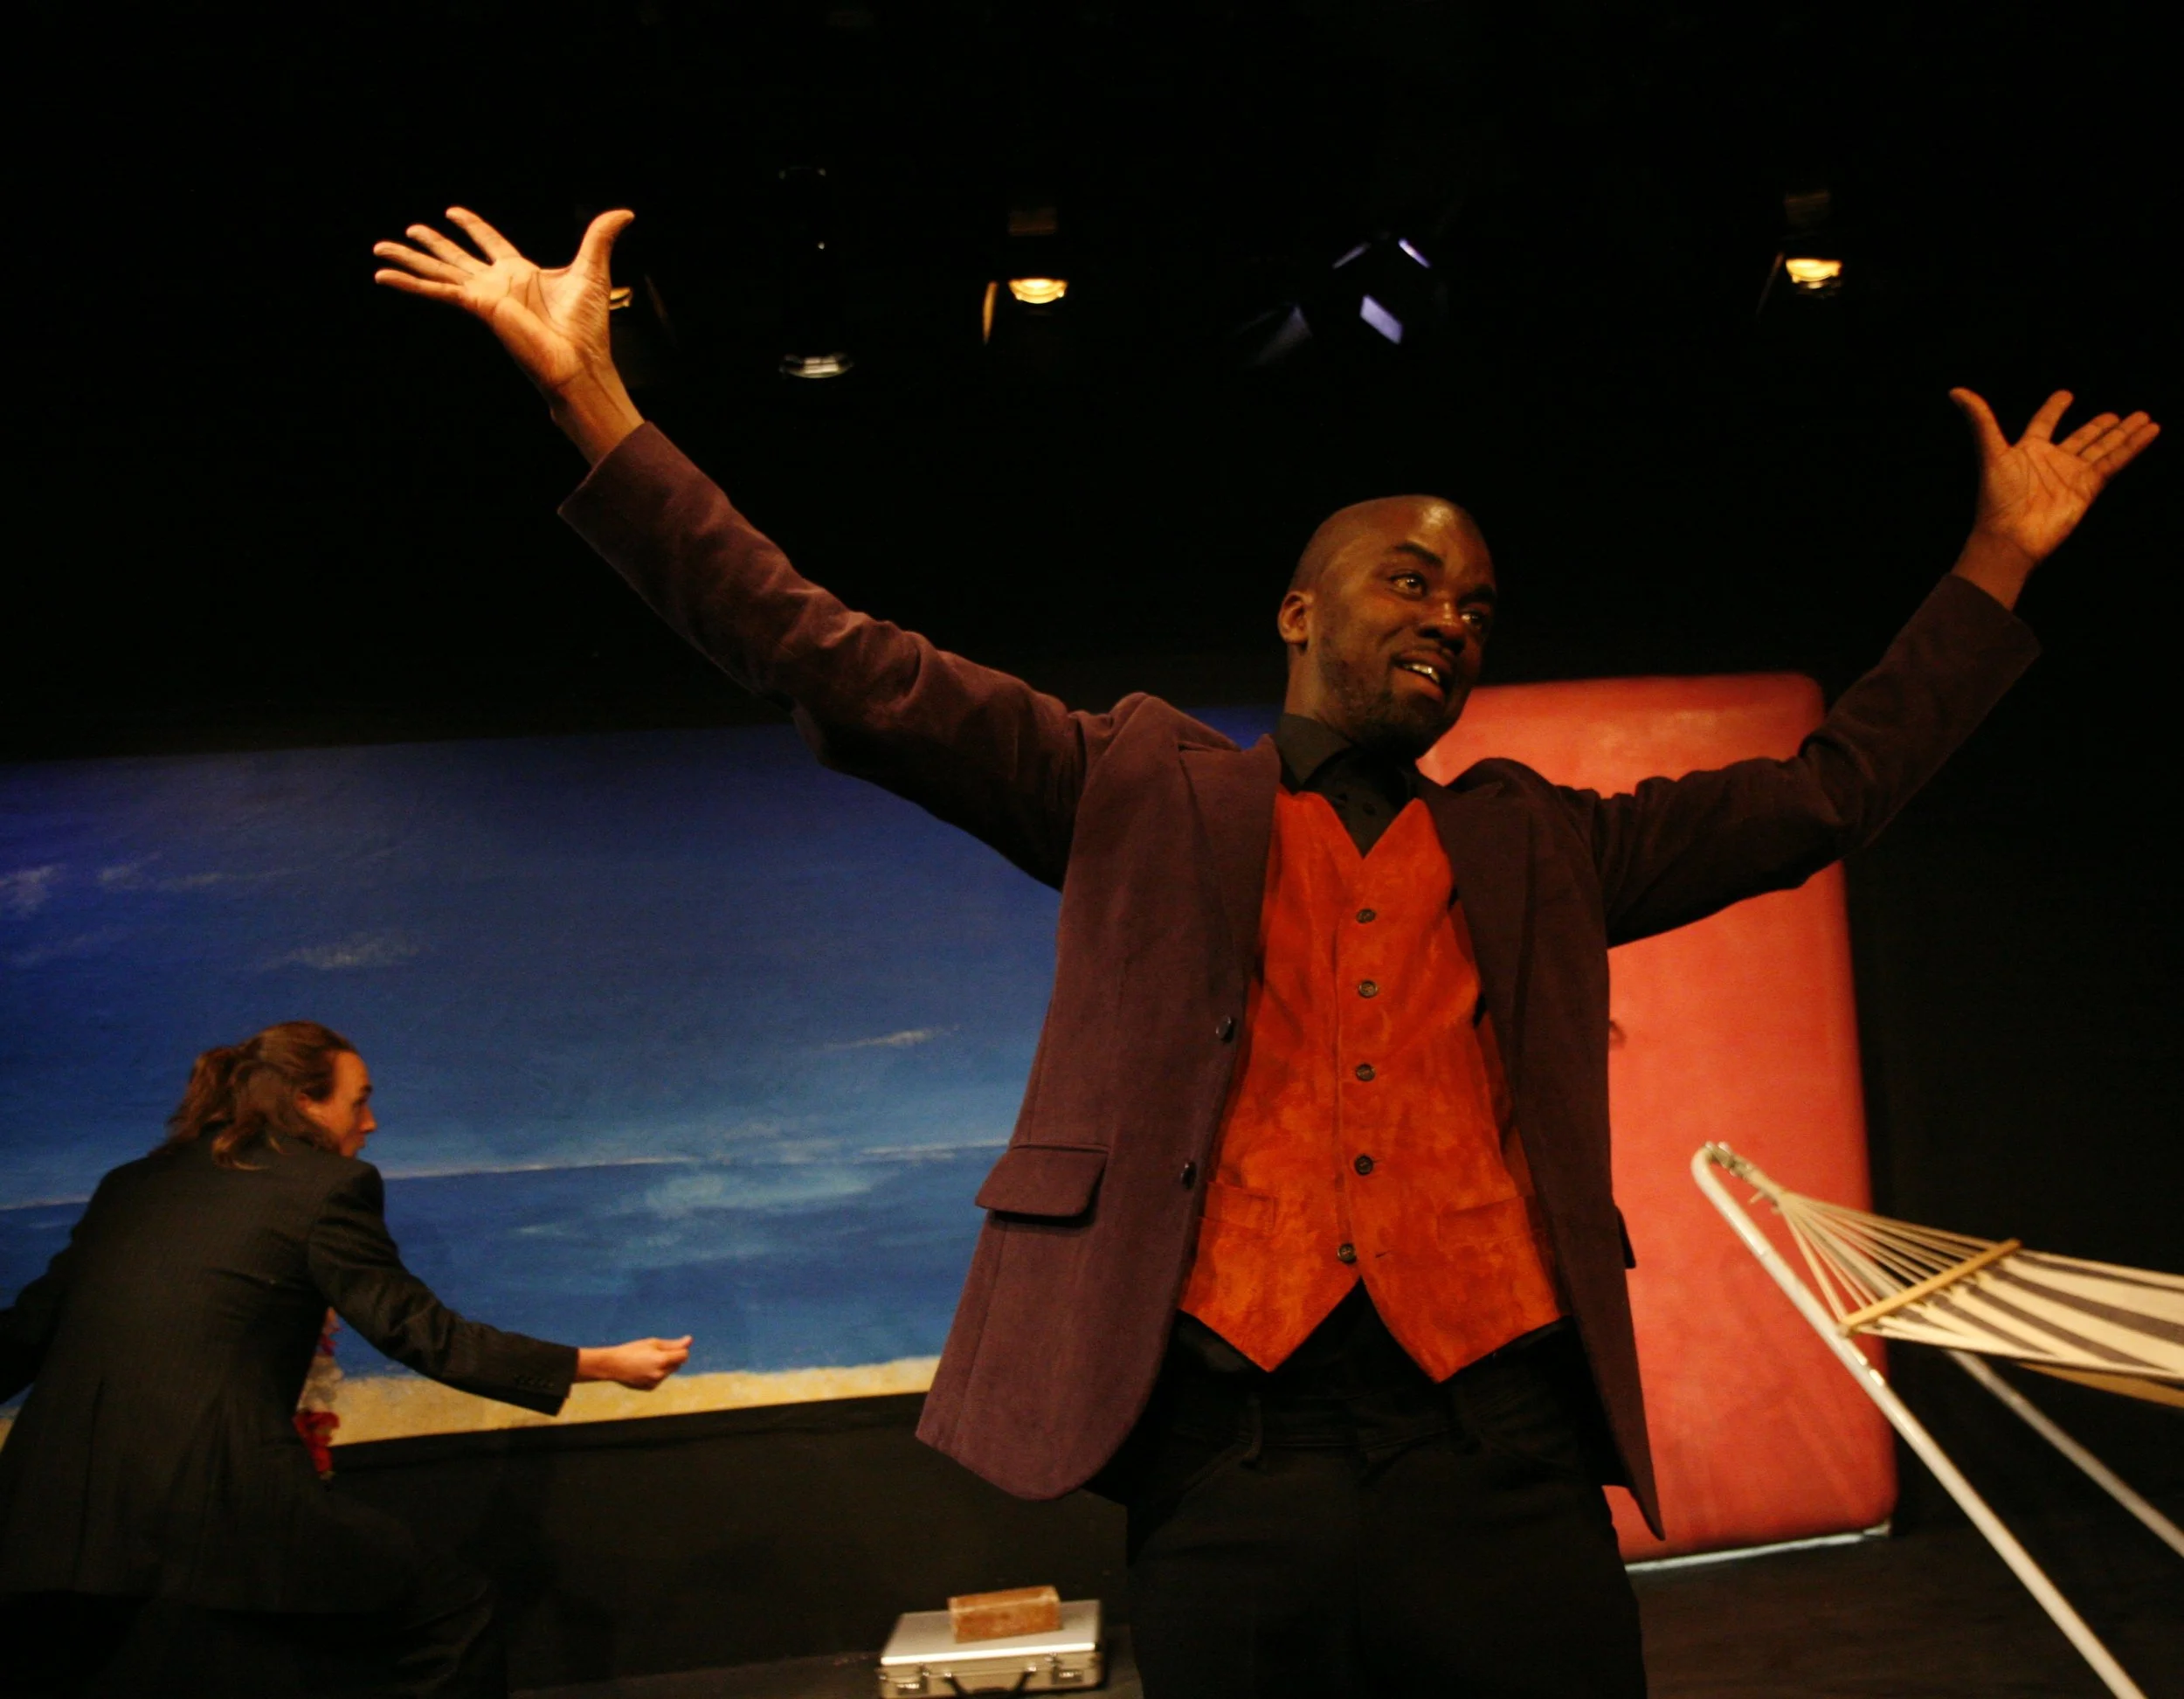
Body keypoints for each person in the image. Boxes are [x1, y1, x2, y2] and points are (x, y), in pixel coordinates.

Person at [371, 208, 2156, 1696]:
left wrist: (1992, 564)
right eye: (1406, 580)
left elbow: (1824, 796)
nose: (1446, 618)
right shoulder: (1134, 787)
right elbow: (822, 651)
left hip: (1503, 1464)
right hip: (1235, 1462)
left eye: (1471, 603)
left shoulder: (1539, 838)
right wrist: (599, 408)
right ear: (1296, 610)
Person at [0, 1020, 694, 1697]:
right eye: (358, 1099)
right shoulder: (323, 1187)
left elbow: (30, 1332)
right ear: (305, 1100)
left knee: (47, 1664)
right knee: (453, 1614)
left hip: (60, 1498)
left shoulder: (129, 1183)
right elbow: (423, 1333)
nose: (371, 1122)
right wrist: (600, 1363)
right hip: (220, 1496)